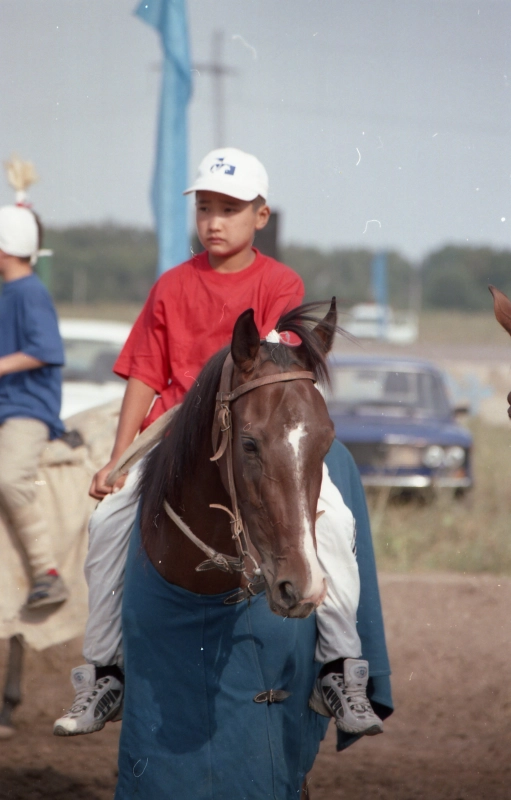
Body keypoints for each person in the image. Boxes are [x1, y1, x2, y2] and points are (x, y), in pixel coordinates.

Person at [53, 148, 383, 738]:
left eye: (230, 209)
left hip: (256, 429)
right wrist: (117, 458)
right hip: (176, 429)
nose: (214, 222)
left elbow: (281, 364)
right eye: (205, 208)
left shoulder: (281, 282)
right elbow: (145, 375)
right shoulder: (171, 286)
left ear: (260, 215)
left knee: (330, 522)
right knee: (106, 527)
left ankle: (339, 664)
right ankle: (104, 672)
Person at [0, 195, 68, 609]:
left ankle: (48, 573)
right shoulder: (8, 291)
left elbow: (46, 347)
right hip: (6, 406)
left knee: (9, 478)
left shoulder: (29, 292)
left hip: (27, 408)